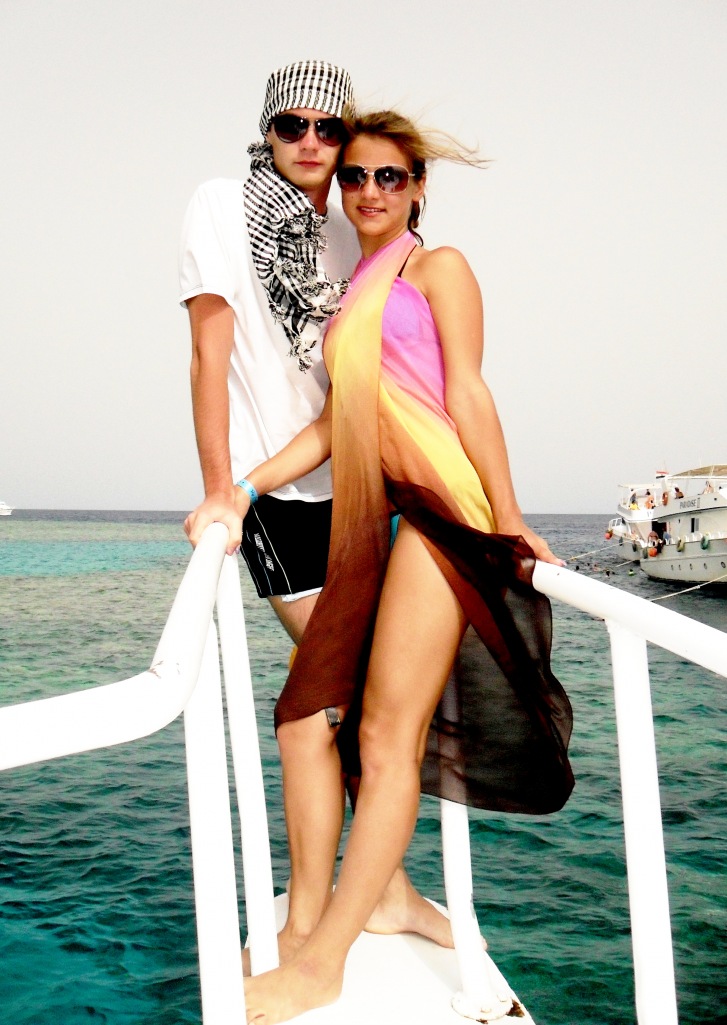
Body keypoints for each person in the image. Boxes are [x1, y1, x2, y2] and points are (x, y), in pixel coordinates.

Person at [240, 110, 574, 1024]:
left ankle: (323, 962)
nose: (368, 191)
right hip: (381, 519)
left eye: (389, 175)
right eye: (354, 176)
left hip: (443, 512)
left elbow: (467, 389)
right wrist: (240, 489)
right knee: (307, 712)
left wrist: (508, 518)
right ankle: (378, 902)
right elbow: (331, 424)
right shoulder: (353, 291)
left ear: (419, 186)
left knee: (387, 737)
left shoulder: (438, 268)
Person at [178, 63, 452, 966]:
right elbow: (208, 354)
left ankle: (371, 895)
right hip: (277, 495)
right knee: (332, 697)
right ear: (266, 130)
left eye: (327, 129)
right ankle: (339, 907)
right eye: (290, 124)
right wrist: (223, 488)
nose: (309, 141)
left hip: (360, 492)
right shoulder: (221, 206)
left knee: (350, 701)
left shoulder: (347, 233)